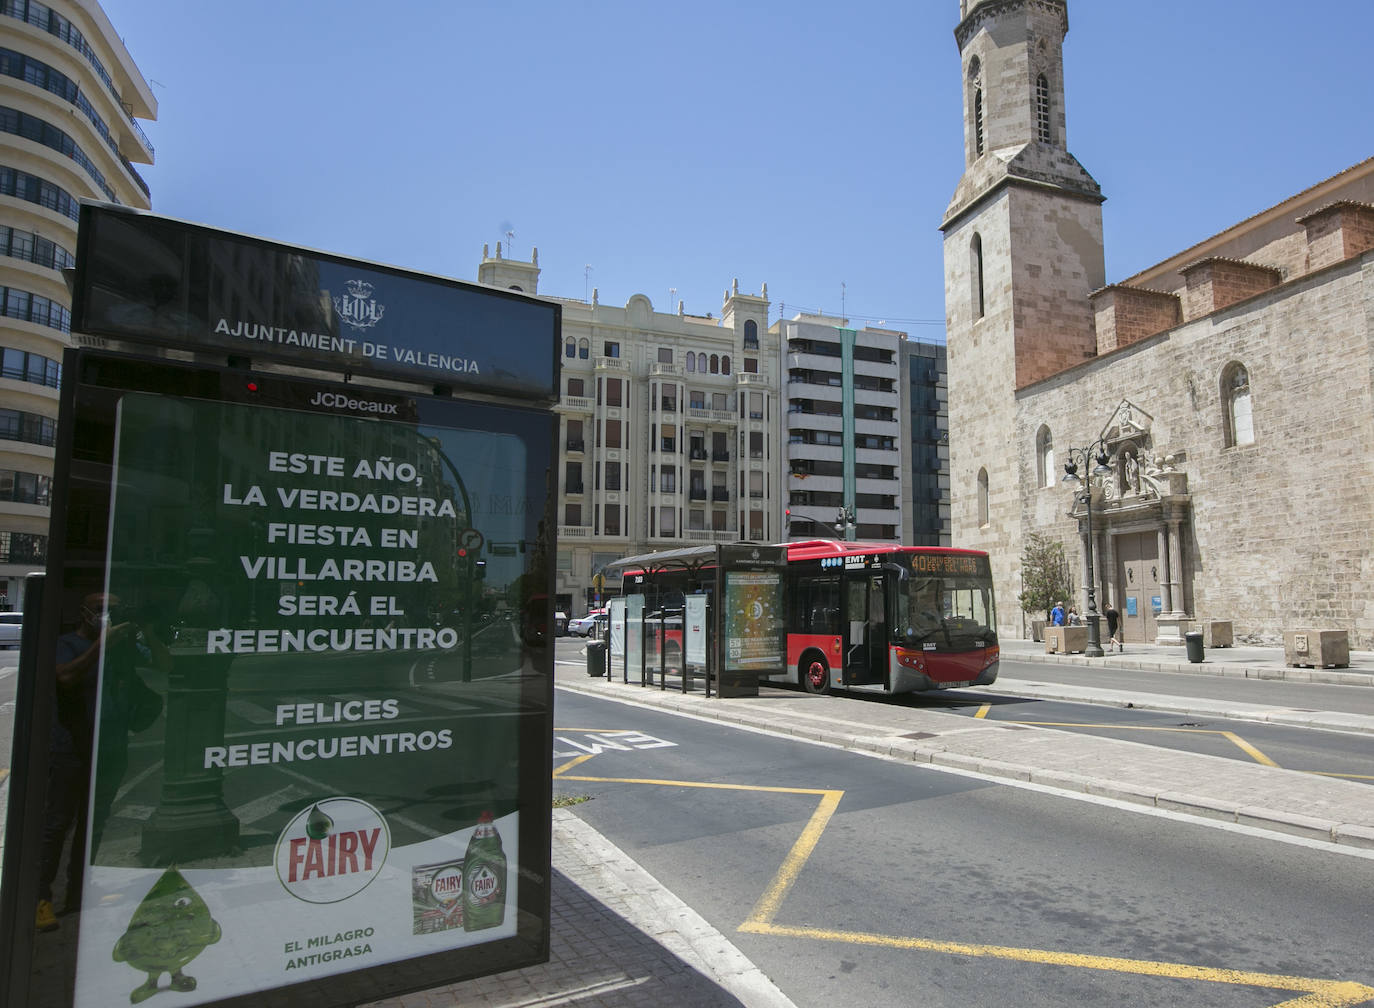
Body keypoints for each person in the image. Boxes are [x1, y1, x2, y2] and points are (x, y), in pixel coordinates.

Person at [37, 593, 166, 931]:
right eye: (100, 610)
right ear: (84, 613)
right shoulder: (68, 643)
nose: (107, 616)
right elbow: (65, 677)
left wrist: (147, 632)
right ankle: (41, 897)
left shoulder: (124, 647)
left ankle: (80, 889)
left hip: (111, 748)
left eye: (115, 610)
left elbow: (164, 665)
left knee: (95, 822)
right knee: (57, 823)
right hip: (72, 748)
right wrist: (103, 645)